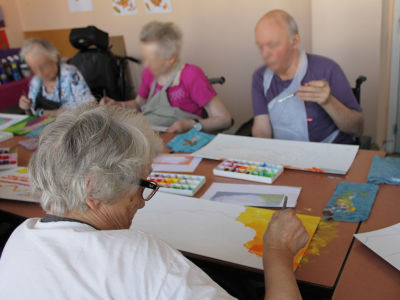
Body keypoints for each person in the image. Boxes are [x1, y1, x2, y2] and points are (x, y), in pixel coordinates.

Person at [0, 104, 308, 299]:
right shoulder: (140, 258)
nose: (143, 202)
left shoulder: (18, 242)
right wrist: (277, 254)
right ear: (92, 190)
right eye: (141, 185)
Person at [251, 10, 364, 144]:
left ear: (295, 41)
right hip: (286, 156)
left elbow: (357, 129)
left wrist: (328, 101)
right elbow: (262, 129)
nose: (265, 54)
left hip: (330, 153)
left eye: (272, 45)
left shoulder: (327, 69)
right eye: (260, 46)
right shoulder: (260, 77)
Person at [100, 21, 232, 134]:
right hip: (154, 137)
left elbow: (224, 120)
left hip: (184, 142)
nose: (145, 64)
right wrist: (117, 105)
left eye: (151, 59)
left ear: (171, 58)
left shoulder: (191, 75)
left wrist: (190, 125)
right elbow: (139, 104)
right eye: (144, 58)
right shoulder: (149, 73)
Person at [18, 38, 95, 117]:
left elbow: (91, 106)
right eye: (34, 68)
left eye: (43, 66)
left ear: (55, 59)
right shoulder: (36, 82)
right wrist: (26, 108)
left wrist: (46, 113)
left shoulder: (70, 74)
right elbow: (33, 114)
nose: (40, 73)